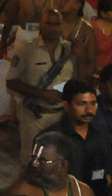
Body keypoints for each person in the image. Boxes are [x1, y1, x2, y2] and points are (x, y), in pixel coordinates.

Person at [8, 9, 76, 158]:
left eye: (57, 24)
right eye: (48, 24)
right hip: (33, 116)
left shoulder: (69, 50)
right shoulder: (27, 49)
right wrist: (41, 94)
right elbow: (11, 82)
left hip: (61, 116)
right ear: (41, 24)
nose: (52, 28)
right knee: (30, 159)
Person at [41, 79, 112, 196]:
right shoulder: (50, 138)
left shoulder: (102, 133)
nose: (89, 110)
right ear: (66, 105)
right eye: (81, 104)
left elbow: (108, 174)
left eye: (93, 103)